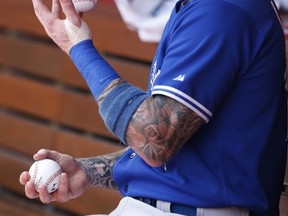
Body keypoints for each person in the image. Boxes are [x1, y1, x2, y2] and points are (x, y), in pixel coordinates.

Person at [19, 0, 287, 215]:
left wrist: (80, 49)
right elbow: (172, 146)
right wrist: (88, 171)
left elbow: (155, 141)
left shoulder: (223, 10)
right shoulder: (199, 8)